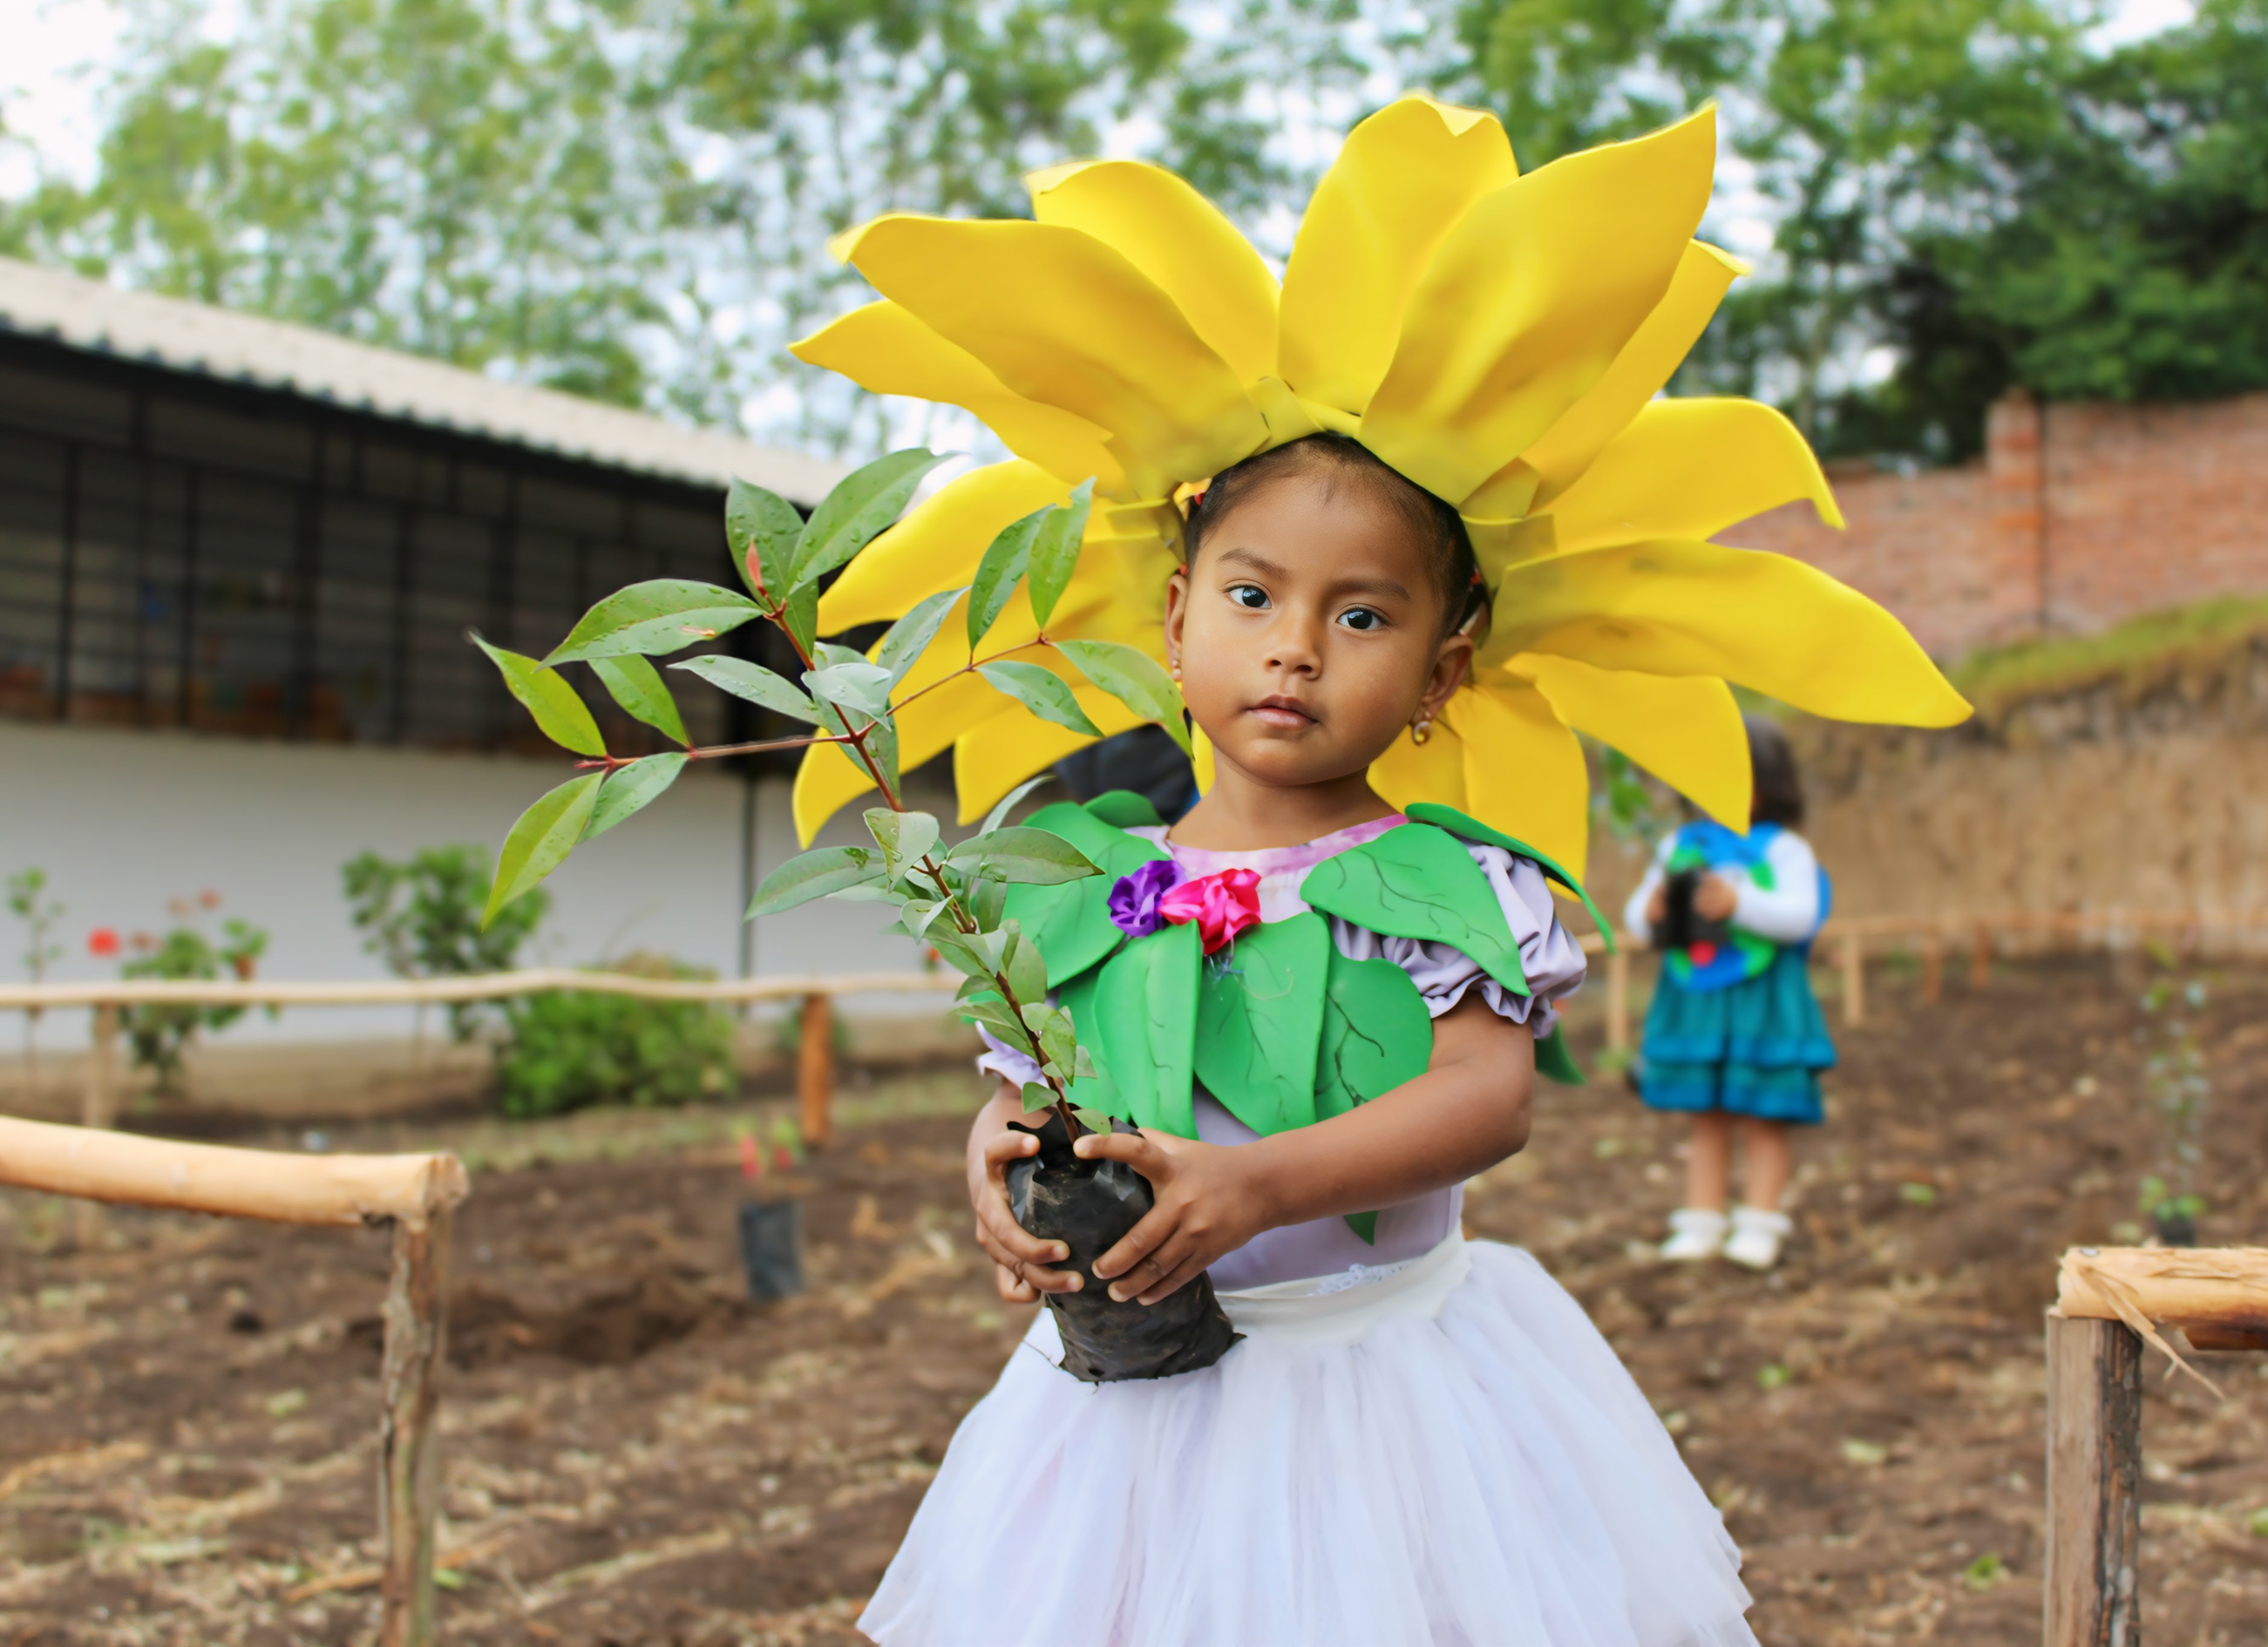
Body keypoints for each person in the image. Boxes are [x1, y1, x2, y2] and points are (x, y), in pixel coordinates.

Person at [786, 89, 1966, 1647]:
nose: (1294, 647)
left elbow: (1488, 1099)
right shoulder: (1079, 874)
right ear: (1171, 620)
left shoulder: (1443, 877)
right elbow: (1032, 1081)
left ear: (1444, 669)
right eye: (1254, 593)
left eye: (1363, 615)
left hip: (1383, 1385)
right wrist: (993, 1168)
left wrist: (1258, 1183)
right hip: (1127, 1412)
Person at [1625, 720, 1834, 1271]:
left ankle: (1759, 1222)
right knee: (1706, 1113)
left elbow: (1802, 917)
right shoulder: (1679, 846)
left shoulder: (1784, 850)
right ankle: (1701, 1220)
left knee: (1763, 1112)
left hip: (1763, 1001)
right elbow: (1643, 918)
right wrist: (1649, 915)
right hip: (1696, 999)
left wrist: (1737, 903)